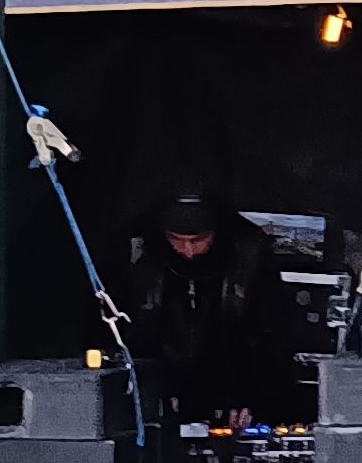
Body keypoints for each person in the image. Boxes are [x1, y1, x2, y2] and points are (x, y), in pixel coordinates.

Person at [122, 180, 296, 425]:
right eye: (178, 240)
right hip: (167, 387)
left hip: (235, 384)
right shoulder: (141, 255)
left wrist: (251, 395)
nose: (188, 250)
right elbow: (135, 332)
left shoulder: (250, 254)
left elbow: (268, 333)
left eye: (199, 240)